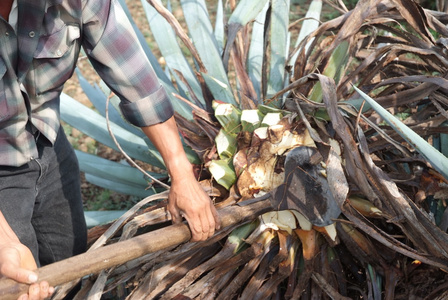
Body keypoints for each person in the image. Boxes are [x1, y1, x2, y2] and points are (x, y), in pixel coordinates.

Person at [0, 0, 221, 299]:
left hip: (47, 141)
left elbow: (136, 80)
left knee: (71, 266)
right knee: (18, 285)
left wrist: (182, 174)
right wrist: (5, 243)